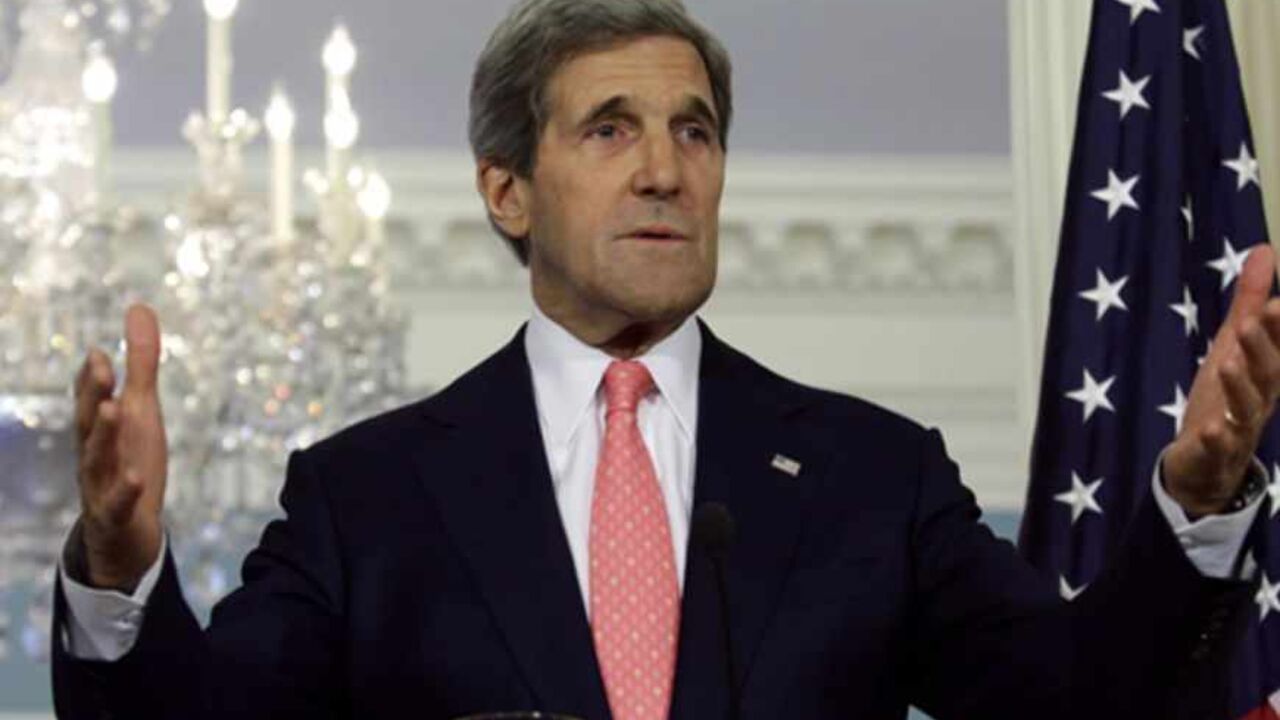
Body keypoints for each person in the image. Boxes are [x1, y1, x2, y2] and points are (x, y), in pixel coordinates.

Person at [50, 1, 1280, 718]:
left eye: (693, 130)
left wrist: (1197, 506)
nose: (663, 169)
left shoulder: (873, 478)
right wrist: (118, 564)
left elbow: (1080, 706)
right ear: (507, 190)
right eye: (609, 129)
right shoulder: (365, 499)